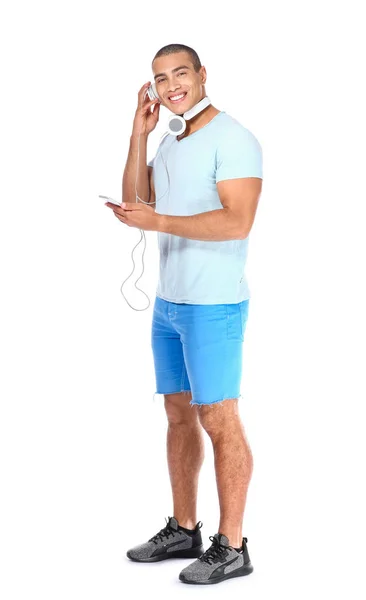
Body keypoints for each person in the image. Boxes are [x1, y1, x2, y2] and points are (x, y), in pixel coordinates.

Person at [105, 43, 263, 585]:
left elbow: (237, 221)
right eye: (160, 78)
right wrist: (138, 134)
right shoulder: (173, 140)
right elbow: (136, 201)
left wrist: (159, 222)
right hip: (170, 304)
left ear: (201, 75)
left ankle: (234, 546)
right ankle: (185, 528)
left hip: (214, 304)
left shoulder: (234, 139)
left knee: (220, 419)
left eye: (180, 73)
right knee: (177, 414)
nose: (171, 85)